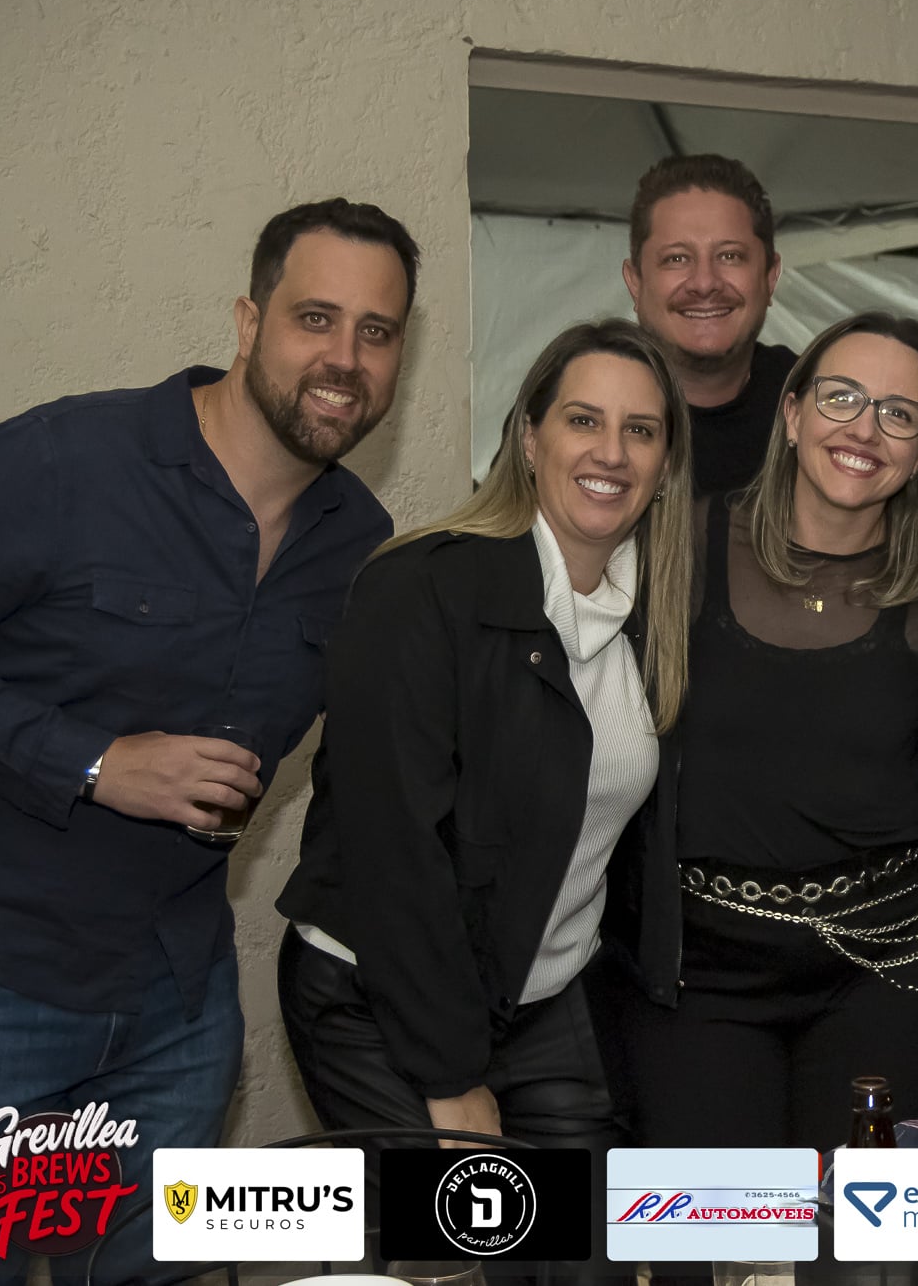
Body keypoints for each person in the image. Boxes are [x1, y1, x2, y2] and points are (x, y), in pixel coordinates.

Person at [0, 197, 417, 1284]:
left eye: (376, 332)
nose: (344, 359)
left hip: (176, 1006)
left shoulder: (358, 541)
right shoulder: (64, 460)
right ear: (248, 322)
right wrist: (94, 763)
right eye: (315, 318)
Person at [275, 318, 689, 1223]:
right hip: (384, 998)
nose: (611, 452)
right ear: (529, 438)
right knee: (462, 1247)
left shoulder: (654, 616)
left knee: (588, 1251)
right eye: (583, 420)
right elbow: (394, 853)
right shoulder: (421, 587)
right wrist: (453, 1079)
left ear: (665, 466)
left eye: (641, 430)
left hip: (544, 999)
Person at [596, 311, 918, 1149]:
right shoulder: (675, 544)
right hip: (700, 971)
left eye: (899, 413)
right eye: (842, 397)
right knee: (721, 1221)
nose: (864, 429)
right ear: (792, 412)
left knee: (863, 1221)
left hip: (885, 961)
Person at [624, 152, 797, 496]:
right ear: (636, 283)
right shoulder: (573, 404)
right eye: (676, 258)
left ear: (770, 277)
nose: (704, 283)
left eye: (730, 256)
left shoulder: (818, 407)